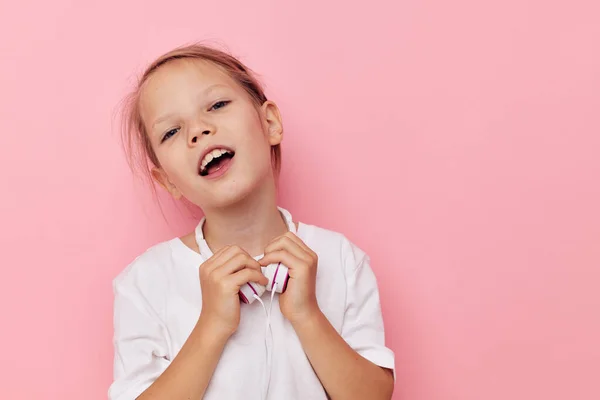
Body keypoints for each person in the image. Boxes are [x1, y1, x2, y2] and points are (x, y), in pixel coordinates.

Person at [109, 43, 395, 400]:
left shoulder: (341, 259)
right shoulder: (144, 283)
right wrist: (211, 327)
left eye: (217, 105)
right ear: (167, 181)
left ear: (270, 123)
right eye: (171, 132)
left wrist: (307, 315)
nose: (198, 131)